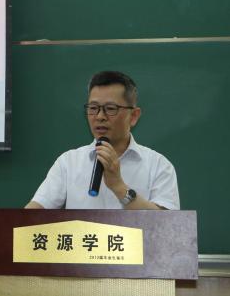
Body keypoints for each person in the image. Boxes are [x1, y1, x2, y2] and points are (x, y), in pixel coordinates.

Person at [25, 70, 179, 210]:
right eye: (93, 108)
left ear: (133, 116)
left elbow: (167, 225)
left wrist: (119, 186)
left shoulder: (158, 166)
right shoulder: (68, 163)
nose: (99, 117)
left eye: (110, 109)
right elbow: (33, 212)